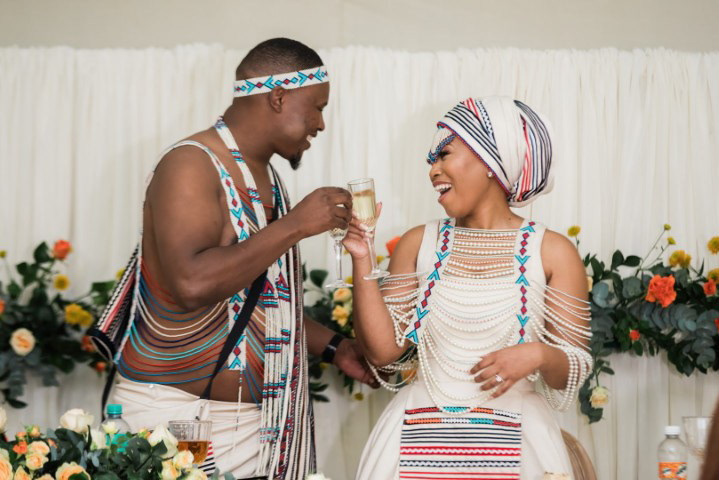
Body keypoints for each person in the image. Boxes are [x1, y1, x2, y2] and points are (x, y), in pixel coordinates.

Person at [108, 38, 376, 479]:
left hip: (253, 429)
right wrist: (295, 225)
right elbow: (191, 284)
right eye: (317, 107)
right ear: (278, 97)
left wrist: (336, 348)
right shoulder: (190, 164)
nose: (321, 124)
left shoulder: (265, 177)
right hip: (175, 419)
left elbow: (262, 304)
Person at [344, 96, 594, 479]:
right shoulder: (417, 243)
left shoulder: (553, 251)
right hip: (416, 437)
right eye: (432, 161)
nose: (433, 170)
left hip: (517, 438)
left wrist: (538, 354)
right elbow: (382, 353)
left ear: (490, 160)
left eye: (444, 155)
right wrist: (362, 257)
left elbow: (573, 369)